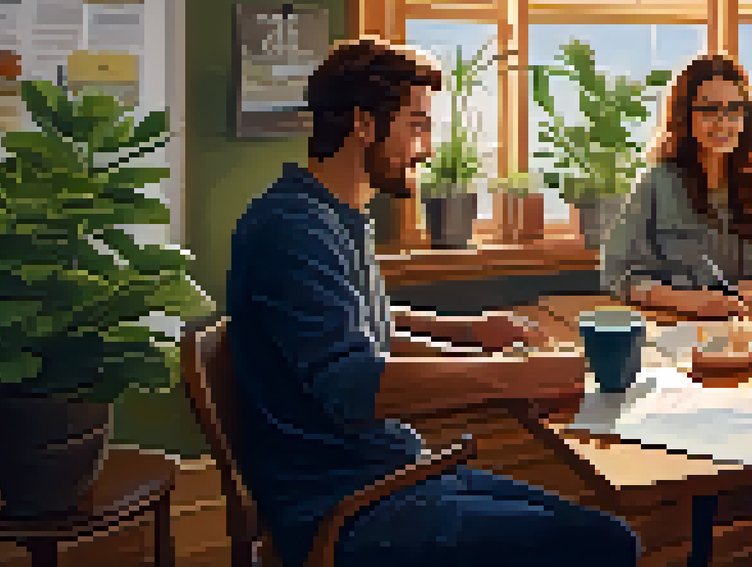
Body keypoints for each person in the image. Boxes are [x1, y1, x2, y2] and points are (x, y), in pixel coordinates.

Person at [226, 37, 639, 567]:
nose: (424, 148)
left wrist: (470, 333)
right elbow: (354, 386)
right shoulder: (293, 231)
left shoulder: (325, 215)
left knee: (603, 531)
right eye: (416, 125)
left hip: (391, 475)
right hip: (346, 508)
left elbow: (361, 327)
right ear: (363, 124)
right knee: (603, 545)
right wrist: (515, 376)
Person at [601, 54, 752, 318]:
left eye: (734, 109)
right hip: (677, 330)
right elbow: (617, 274)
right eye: (709, 109)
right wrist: (690, 302)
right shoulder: (657, 182)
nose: (723, 122)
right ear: (685, 116)